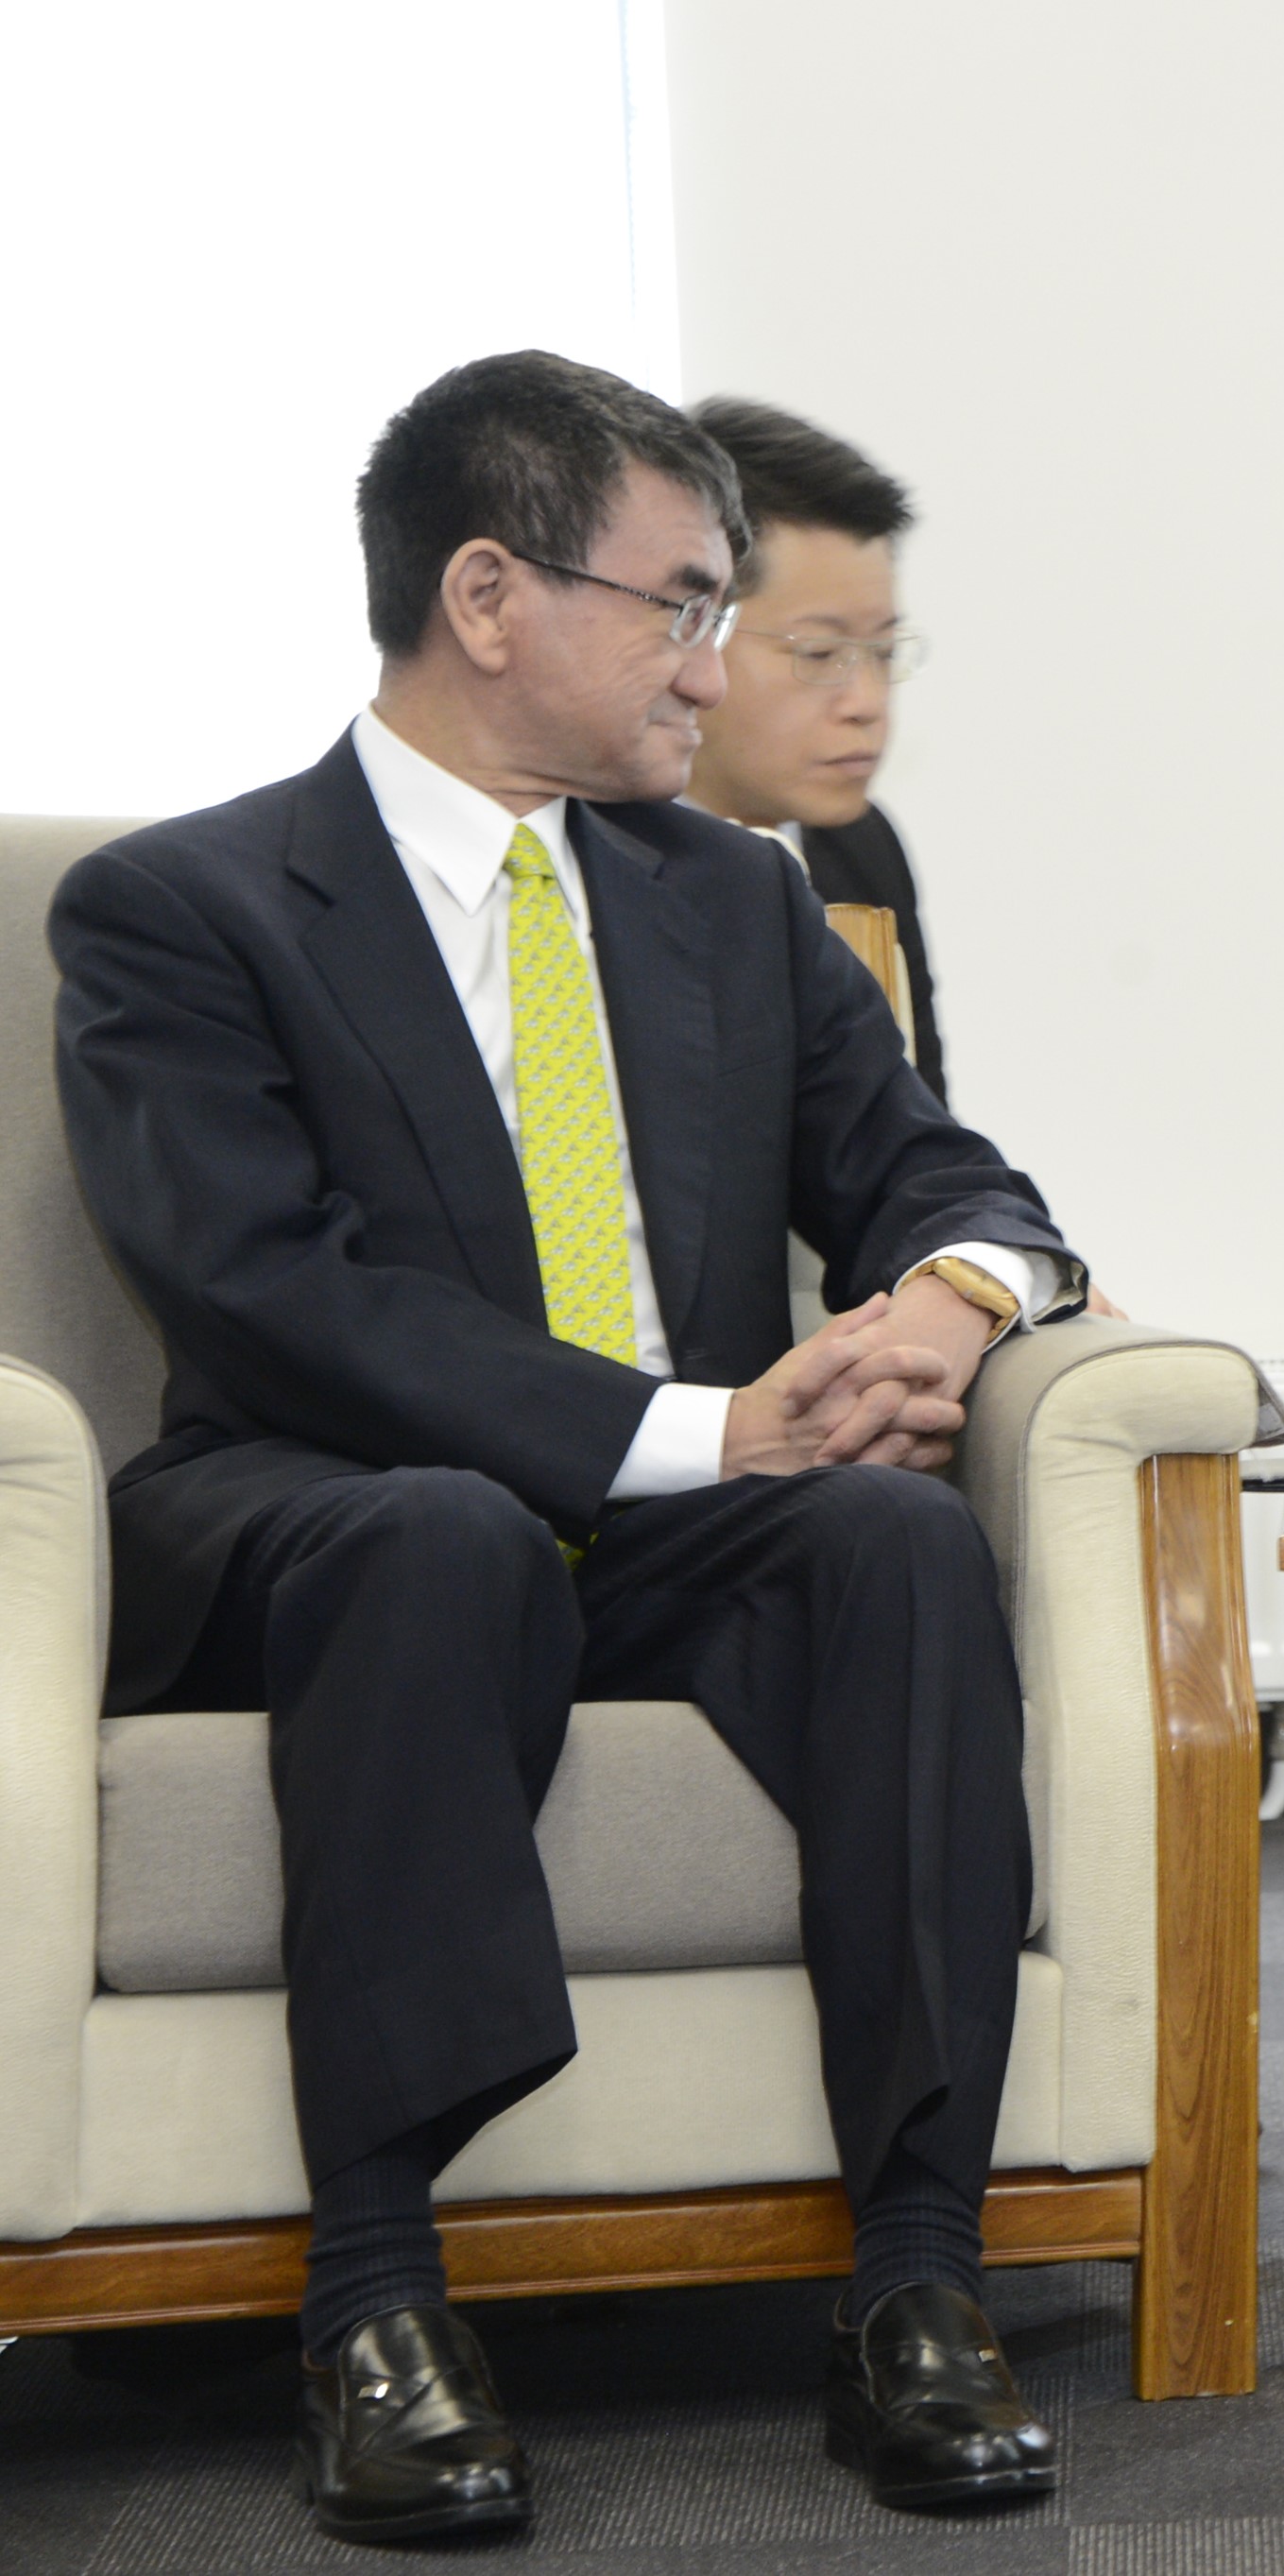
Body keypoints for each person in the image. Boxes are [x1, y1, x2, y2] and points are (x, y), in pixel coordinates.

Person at [51, 352, 1085, 2543]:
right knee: (441, 1534)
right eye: (681, 604)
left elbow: (944, 1174)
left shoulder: (731, 900)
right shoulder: (184, 908)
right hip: (324, 1503)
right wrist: (698, 1422)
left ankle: (915, 2279)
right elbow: (268, 1288)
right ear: (490, 594)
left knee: (896, 1543)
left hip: (676, 1513)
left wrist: (951, 1304)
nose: (716, 665)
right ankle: (375, 2301)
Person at [682, 396, 948, 1100]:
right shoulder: (580, 865)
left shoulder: (859, 849)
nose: (867, 702)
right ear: (694, 632)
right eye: (821, 653)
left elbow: (926, 1134)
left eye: (884, 651)